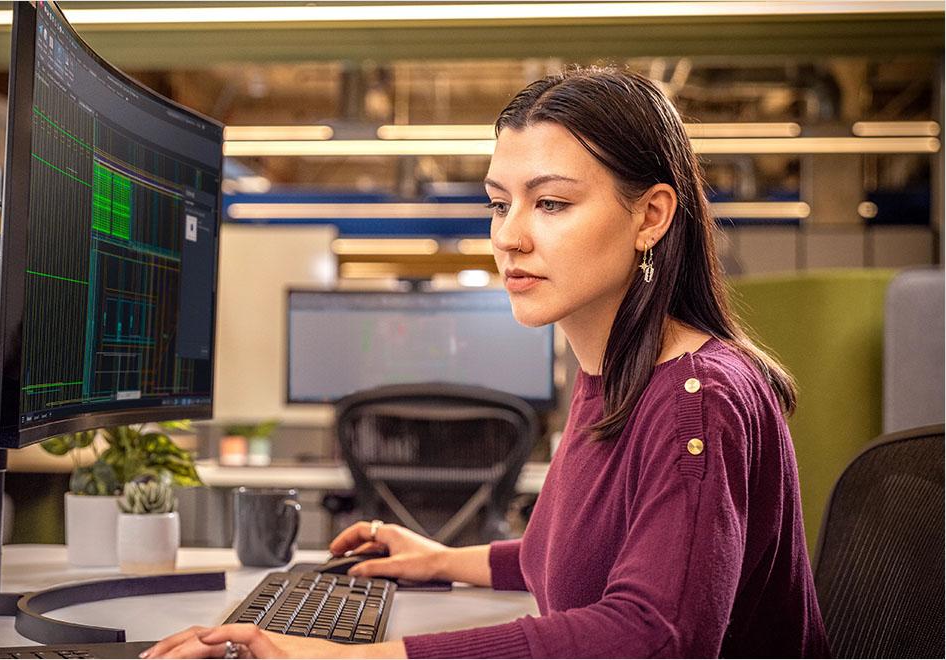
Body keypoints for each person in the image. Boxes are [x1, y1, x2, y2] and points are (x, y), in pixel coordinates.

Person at [141, 65, 830, 659]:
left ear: (650, 216)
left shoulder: (696, 398)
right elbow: (569, 557)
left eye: (551, 203)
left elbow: (651, 636)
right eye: (500, 205)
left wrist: (351, 654)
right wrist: (439, 561)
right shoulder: (610, 375)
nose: (508, 237)